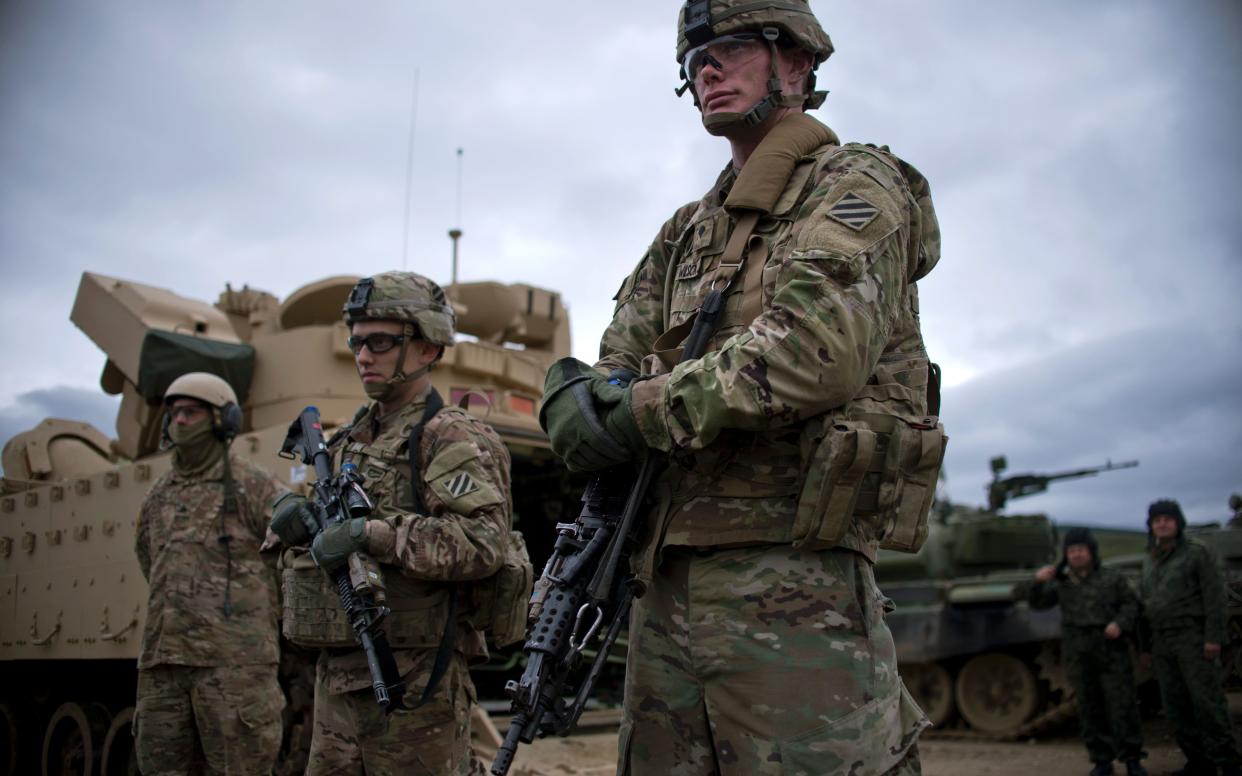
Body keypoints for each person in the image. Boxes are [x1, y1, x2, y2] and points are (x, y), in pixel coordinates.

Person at [539, 1, 944, 772]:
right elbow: (617, 360)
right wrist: (579, 398)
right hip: (664, 587)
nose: (707, 70)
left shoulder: (856, 184)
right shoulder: (687, 231)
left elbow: (814, 352)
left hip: (795, 584)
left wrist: (639, 409)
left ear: (796, 64)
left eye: (729, 49)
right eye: (694, 61)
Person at [270, 271, 519, 775]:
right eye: (357, 342)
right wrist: (291, 523)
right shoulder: (345, 444)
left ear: (427, 347)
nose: (363, 355)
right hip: (337, 680)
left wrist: (374, 534)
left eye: (380, 342)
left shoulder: (447, 437)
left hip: (414, 681)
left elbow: (482, 543)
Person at [134, 371, 287, 775]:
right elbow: (148, 558)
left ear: (223, 420)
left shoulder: (252, 486)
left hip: (234, 668)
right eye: (174, 414)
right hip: (163, 665)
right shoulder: (159, 494)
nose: (179, 422)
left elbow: (291, 552)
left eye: (191, 412)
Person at [1029, 527, 1145, 776]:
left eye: (1081, 549)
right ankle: (1101, 760)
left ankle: (1132, 759)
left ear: (1091, 551)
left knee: (1122, 706)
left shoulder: (1111, 578)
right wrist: (1038, 582)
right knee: (1090, 709)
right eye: (1072, 550)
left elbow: (1131, 604)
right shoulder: (1063, 583)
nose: (1077, 554)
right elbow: (1038, 604)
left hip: (1111, 650)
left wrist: (1120, 623)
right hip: (1079, 653)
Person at [1138, 499, 1241, 776]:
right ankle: (1199, 763)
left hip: (1192, 638)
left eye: (1167, 519)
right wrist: (1145, 646)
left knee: (1207, 703)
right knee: (1175, 707)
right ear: (1151, 525)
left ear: (1178, 522)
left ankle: (1229, 763)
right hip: (1162, 641)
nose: (1162, 523)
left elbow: (1215, 597)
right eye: (1156, 519)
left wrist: (1213, 637)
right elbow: (1147, 605)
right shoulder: (1150, 559)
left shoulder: (1196, 553)